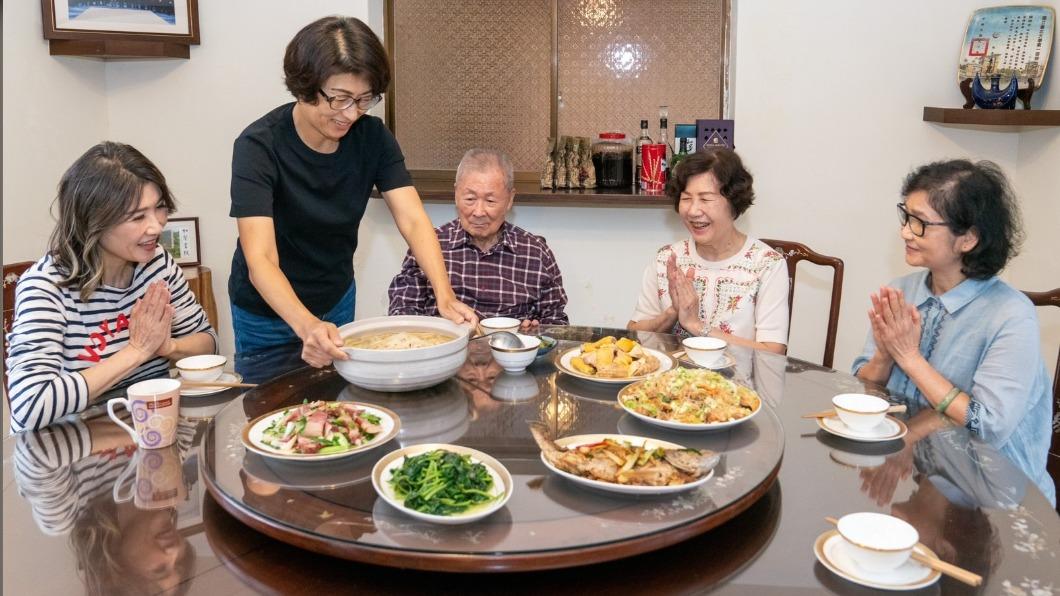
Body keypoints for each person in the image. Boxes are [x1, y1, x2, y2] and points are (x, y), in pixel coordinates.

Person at [229, 16, 475, 370]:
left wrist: (444, 293)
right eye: (340, 99)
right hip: (267, 313)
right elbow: (261, 259)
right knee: (268, 413)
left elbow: (412, 219)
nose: (351, 114)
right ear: (304, 87)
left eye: (363, 100)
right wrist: (307, 324)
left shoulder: (372, 137)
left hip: (336, 298)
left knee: (334, 413)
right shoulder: (258, 146)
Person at [853, 159, 1053, 505]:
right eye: (906, 216)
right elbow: (863, 383)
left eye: (920, 223)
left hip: (992, 493)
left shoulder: (1011, 315)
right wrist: (885, 356)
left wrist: (909, 358)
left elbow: (987, 425)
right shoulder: (904, 289)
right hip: (916, 472)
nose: (905, 232)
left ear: (968, 239)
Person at [5, 142, 217, 432]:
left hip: (146, 431)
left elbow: (207, 342)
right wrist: (137, 351)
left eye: (160, 209)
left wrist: (168, 346)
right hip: (72, 451)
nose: (156, 227)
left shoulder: (157, 263)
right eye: (137, 217)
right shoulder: (45, 287)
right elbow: (29, 405)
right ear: (93, 221)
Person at [388, 148, 569, 332]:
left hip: (510, 358)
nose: (479, 212)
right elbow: (402, 314)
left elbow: (557, 325)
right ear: (456, 194)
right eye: (470, 199)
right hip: (445, 355)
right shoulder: (428, 245)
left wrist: (537, 332)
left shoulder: (535, 253)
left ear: (509, 199)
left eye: (490, 201)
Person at [627, 149, 788, 353]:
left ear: (734, 201)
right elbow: (633, 336)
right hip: (669, 383)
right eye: (686, 198)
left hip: (737, 383)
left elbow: (773, 352)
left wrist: (696, 326)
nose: (693, 211)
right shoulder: (667, 259)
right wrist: (672, 313)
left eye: (705, 199)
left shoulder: (767, 265)